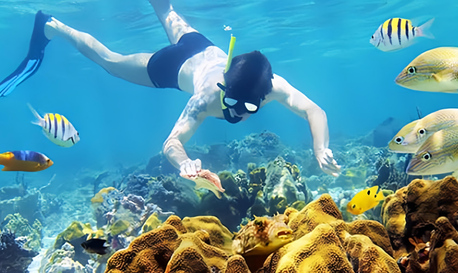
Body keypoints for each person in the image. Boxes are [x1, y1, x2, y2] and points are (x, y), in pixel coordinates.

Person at [0, 0, 341, 181]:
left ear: (264, 96)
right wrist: (184, 161)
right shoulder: (206, 98)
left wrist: (320, 147)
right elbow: (171, 142)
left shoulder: (272, 86)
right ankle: (52, 26)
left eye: (247, 109)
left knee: (167, 10)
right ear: (224, 85)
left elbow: (315, 111)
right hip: (172, 66)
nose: (235, 112)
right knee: (110, 61)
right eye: (231, 101)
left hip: (200, 45)